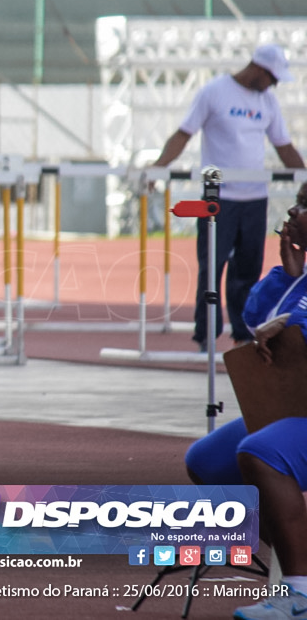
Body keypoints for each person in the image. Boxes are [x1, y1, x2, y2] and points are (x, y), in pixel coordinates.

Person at [182, 183, 307, 619]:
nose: (292, 211)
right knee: (208, 459)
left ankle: (300, 594)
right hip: (293, 406)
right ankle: (301, 562)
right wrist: (287, 277)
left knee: (260, 451)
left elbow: (291, 327)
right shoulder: (303, 277)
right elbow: (254, 319)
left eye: (305, 206)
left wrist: (294, 319)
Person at [151, 44, 304, 352]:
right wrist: (158, 168)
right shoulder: (214, 92)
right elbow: (184, 133)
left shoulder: (268, 102)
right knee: (212, 267)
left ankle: (244, 334)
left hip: (254, 198)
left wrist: (306, 177)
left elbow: (283, 146)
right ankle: (205, 336)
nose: (274, 85)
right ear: (259, 70)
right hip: (217, 199)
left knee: (247, 269)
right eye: (273, 78)